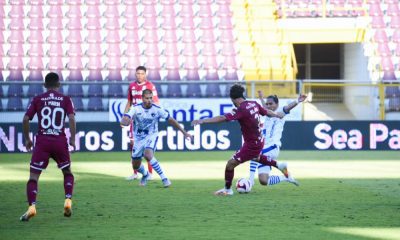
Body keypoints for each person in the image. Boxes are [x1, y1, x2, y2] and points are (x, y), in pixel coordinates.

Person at [191, 84, 290, 196]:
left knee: (230, 165)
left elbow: (223, 118)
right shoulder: (253, 104)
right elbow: (267, 112)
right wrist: (277, 115)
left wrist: (203, 121)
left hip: (252, 145)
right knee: (256, 158)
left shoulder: (241, 109)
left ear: (235, 99)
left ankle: (228, 190)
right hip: (259, 140)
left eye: (232, 100)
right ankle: (279, 165)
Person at [20, 72, 76, 221]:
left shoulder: (38, 99)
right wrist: (73, 139)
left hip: (42, 142)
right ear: (58, 85)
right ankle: (68, 200)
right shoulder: (66, 99)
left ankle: (31, 207)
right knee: (67, 172)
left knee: (33, 177)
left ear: (44, 85)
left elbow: (25, 119)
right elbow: (71, 118)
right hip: (59, 141)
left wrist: (27, 139)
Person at [120, 89, 192, 187]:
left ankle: (164, 179)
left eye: (151, 98)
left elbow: (171, 120)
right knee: (135, 165)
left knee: (148, 154)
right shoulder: (135, 108)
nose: (149, 100)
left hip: (151, 135)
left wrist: (184, 132)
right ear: (142, 98)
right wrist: (125, 121)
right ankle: (145, 174)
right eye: (147, 98)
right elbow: (126, 118)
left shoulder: (157, 109)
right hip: (138, 138)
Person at [248, 91, 307, 188]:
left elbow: (288, 107)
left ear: (277, 104)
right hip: (264, 148)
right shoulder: (267, 114)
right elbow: (264, 108)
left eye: (271, 103)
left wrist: (298, 100)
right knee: (264, 181)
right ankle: (286, 177)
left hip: (272, 147)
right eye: (267, 104)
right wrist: (261, 98)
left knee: (254, 153)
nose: (268, 106)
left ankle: (250, 181)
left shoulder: (280, 112)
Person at [124, 66, 160, 181]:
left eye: (142, 73)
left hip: (146, 121)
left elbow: (156, 102)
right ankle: (135, 173)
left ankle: (149, 173)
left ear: (146, 74)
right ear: (135, 74)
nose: (140, 76)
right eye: (138, 73)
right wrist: (125, 117)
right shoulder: (131, 86)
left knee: (146, 147)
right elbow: (129, 102)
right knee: (133, 145)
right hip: (134, 121)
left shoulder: (150, 86)